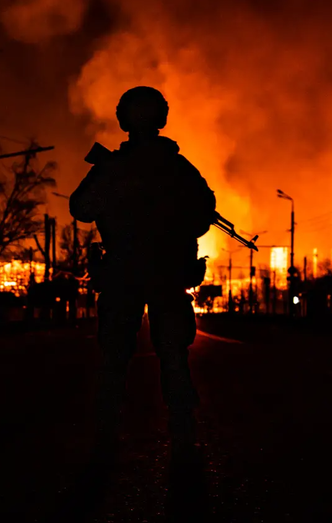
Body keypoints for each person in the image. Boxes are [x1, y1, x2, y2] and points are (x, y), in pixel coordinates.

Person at [70, 86, 216, 463]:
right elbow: (203, 217)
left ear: (123, 119)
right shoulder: (178, 168)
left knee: (115, 356)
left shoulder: (114, 169)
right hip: (166, 273)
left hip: (123, 274)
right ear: (162, 118)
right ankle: (183, 432)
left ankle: (106, 433)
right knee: (172, 355)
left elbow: (83, 208)